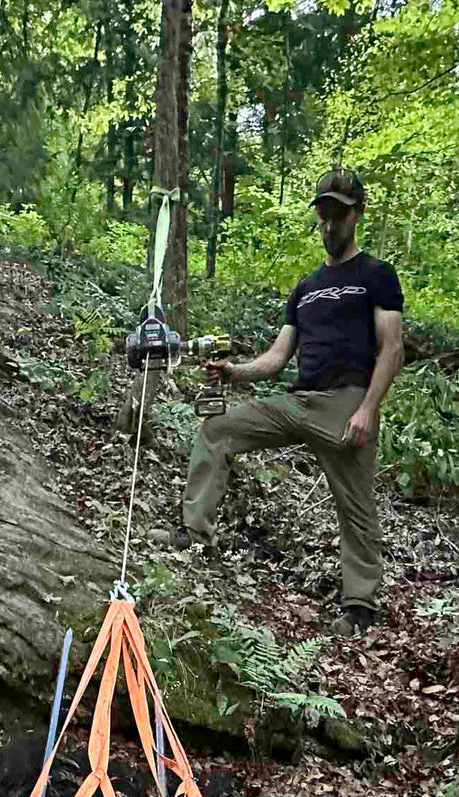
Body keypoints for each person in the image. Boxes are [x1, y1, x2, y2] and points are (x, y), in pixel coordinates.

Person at [176, 168, 404, 637]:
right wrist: (235, 371)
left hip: (346, 404)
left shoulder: (377, 276)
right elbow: (279, 357)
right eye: (323, 214)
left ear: (357, 214)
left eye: (338, 214)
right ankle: (194, 532)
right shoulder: (305, 286)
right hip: (297, 401)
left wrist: (367, 409)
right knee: (216, 430)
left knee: (356, 505)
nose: (329, 224)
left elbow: (392, 349)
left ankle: (359, 604)